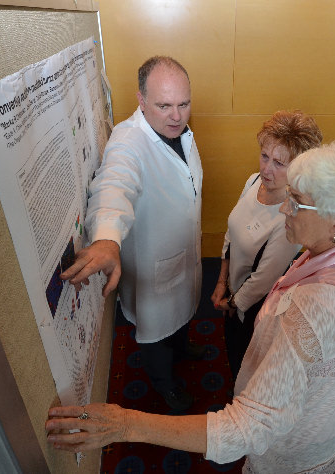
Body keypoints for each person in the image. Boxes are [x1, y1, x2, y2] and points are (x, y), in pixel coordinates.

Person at [47, 140, 335, 473]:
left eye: (298, 202)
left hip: (292, 448)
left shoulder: (311, 311)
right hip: (332, 424)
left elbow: (250, 427)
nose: (285, 208)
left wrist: (125, 424)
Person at [61, 56, 203, 411]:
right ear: (141, 100)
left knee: (183, 312)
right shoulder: (129, 140)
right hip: (154, 264)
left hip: (184, 253)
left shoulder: (179, 132)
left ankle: (183, 348)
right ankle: (164, 385)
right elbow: (113, 186)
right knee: (155, 332)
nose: (176, 116)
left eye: (184, 104)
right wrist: (107, 238)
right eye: (164, 105)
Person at [210, 110, 322, 379]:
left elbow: (263, 281)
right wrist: (221, 281)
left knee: (248, 364)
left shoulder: (290, 214)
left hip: (257, 308)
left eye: (279, 163)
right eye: (265, 156)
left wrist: (231, 304)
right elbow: (231, 232)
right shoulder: (253, 181)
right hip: (233, 292)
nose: (266, 169)